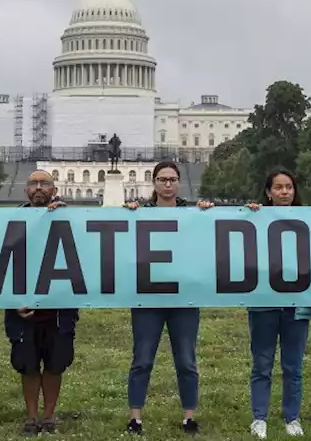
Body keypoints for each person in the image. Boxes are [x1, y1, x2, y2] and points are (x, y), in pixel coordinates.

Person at [122, 161, 214, 435]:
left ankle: (189, 417)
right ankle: (135, 417)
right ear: (154, 183)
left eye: (172, 179)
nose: (168, 184)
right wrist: (127, 214)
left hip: (183, 298)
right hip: (148, 298)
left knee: (186, 360)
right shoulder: (139, 212)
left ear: (179, 183)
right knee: (142, 359)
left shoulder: (192, 212)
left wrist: (208, 213)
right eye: (162, 179)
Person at [243, 169, 311, 438]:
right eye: (279, 187)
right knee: (262, 363)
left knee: (293, 366)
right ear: (268, 192)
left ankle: (292, 417)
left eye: (289, 187)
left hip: (298, 303)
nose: (284, 192)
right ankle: (259, 418)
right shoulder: (255, 218)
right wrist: (248, 214)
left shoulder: (309, 221)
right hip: (263, 302)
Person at [7, 170, 76, 435]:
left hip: (59, 309)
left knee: (55, 363)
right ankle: (32, 417)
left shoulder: (67, 217)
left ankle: (49, 416)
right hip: (22, 308)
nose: (38, 187)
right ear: (26, 190)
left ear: (53, 188)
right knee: (28, 364)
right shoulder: (13, 220)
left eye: (44, 183)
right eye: (33, 183)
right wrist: (13, 300)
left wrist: (65, 215)